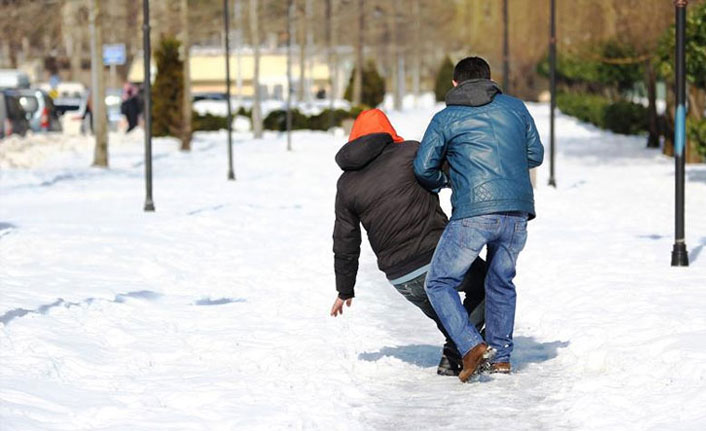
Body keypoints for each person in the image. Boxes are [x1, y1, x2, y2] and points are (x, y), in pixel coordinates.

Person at [413, 57, 544, 382]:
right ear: (490, 80)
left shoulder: (445, 118)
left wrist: (449, 180)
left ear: (455, 83)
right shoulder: (515, 108)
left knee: (439, 281)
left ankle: (470, 345)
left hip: (473, 212)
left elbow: (422, 167)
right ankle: (500, 358)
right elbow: (535, 154)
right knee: (501, 281)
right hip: (516, 211)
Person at [331, 108, 487, 376]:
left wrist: (345, 289)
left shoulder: (346, 184)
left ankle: (456, 355)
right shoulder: (411, 153)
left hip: (400, 276)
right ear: (388, 131)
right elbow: (454, 172)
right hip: (439, 256)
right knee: (489, 283)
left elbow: (345, 240)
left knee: (450, 318)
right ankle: (455, 351)